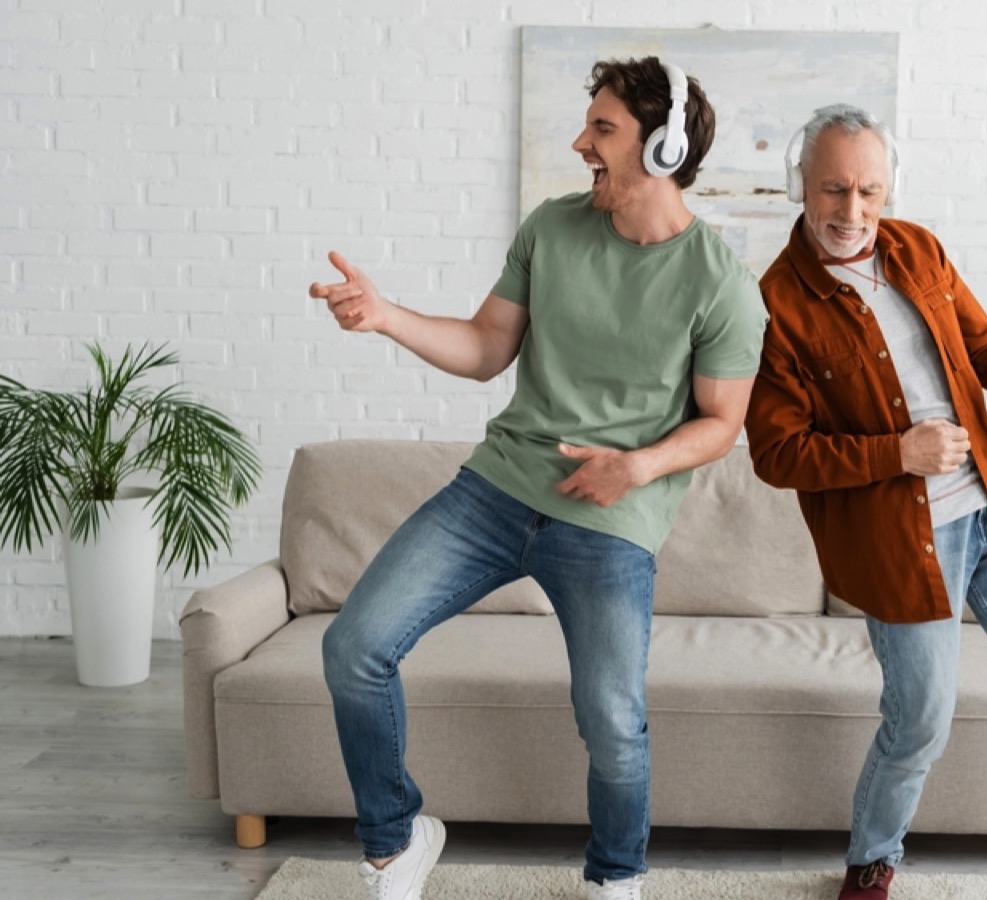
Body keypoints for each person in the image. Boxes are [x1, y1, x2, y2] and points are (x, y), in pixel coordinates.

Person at [308, 57, 766, 900]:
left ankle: (614, 879)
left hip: (610, 520)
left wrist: (638, 465)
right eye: (586, 124)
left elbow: (721, 424)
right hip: (493, 493)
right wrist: (386, 318)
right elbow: (486, 348)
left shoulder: (724, 285)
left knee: (611, 723)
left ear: (662, 150)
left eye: (603, 130)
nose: (579, 142)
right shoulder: (552, 229)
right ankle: (396, 838)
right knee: (354, 646)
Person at [744, 104, 987, 900]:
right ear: (801, 181)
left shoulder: (918, 249)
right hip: (901, 545)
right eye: (832, 190)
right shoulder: (776, 303)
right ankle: (871, 860)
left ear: (888, 189)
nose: (851, 213)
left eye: (868, 191)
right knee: (920, 721)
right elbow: (776, 453)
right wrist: (898, 454)